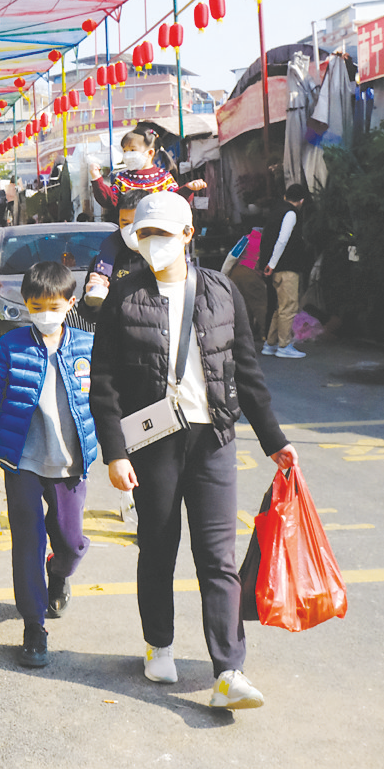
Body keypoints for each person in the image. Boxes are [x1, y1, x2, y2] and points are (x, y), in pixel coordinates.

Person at [89, 191, 299, 709]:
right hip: (153, 442)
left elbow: (246, 374)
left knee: (218, 558)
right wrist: (115, 452)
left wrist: (276, 441)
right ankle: (158, 642)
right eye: (146, 235)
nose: (154, 244)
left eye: (164, 233)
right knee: (158, 548)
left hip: (213, 442)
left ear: (187, 235)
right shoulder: (124, 296)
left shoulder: (221, 293)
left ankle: (228, 671)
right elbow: (104, 381)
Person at [0, 261, 98, 669]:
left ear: (70, 303)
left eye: (53, 305)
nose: (44, 313)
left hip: (70, 462)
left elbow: (108, 400)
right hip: (22, 461)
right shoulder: (10, 347)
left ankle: (59, 573)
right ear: (26, 305)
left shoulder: (87, 346)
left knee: (70, 539)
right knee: (28, 543)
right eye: (35, 305)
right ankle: (33, 626)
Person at [90, 126, 206, 210]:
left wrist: (188, 188)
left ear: (150, 153)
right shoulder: (122, 178)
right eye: (125, 150)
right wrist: (97, 179)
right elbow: (110, 201)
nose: (127, 154)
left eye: (132, 150)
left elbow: (175, 200)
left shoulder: (164, 178)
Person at [260, 184, 312, 359]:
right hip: (287, 266)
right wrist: (273, 263)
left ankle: (270, 343)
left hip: (275, 267)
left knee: (279, 307)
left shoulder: (276, 211)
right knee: (288, 307)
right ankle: (284, 344)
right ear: (302, 201)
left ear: (285, 196)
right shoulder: (291, 213)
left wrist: (268, 264)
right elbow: (283, 240)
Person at [221, 225, 269, 344]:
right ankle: (267, 335)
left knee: (243, 307)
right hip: (251, 273)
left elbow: (232, 256)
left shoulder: (245, 239)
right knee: (260, 305)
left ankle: (245, 336)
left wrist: (224, 274)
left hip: (236, 273)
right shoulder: (266, 241)